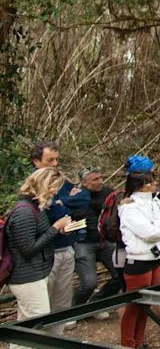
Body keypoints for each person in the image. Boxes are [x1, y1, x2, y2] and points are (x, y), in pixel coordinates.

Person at [6, 167, 74, 345]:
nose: (55, 192)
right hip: (26, 277)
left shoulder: (36, 208)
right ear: (43, 185)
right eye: (54, 187)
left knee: (28, 327)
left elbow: (39, 237)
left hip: (36, 274)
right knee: (34, 326)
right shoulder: (24, 211)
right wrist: (55, 228)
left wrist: (58, 231)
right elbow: (28, 249)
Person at [31, 142, 90, 333]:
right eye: (50, 160)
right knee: (41, 305)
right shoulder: (32, 187)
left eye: (56, 159)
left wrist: (63, 201)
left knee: (62, 301)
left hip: (66, 247)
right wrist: (57, 220)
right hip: (45, 254)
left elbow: (84, 198)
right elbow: (38, 219)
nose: (55, 164)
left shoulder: (61, 181)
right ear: (36, 162)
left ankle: (57, 338)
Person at [118, 171, 160, 349]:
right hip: (139, 260)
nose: (154, 184)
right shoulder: (130, 207)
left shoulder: (157, 202)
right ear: (140, 186)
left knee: (148, 303)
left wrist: (158, 225)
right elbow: (148, 232)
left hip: (156, 258)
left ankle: (139, 340)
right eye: (149, 182)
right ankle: (128, 344)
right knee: (135, 305)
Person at [71, 168, 119, 319]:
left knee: (120, 275)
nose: (100, 182)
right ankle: (74, 312)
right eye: (95, 179)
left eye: (101, 178)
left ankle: (96, 304)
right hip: (83, 243)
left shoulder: (108, 193)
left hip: (105, 241)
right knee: (89, 283)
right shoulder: (74, 197)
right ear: (84, 182)